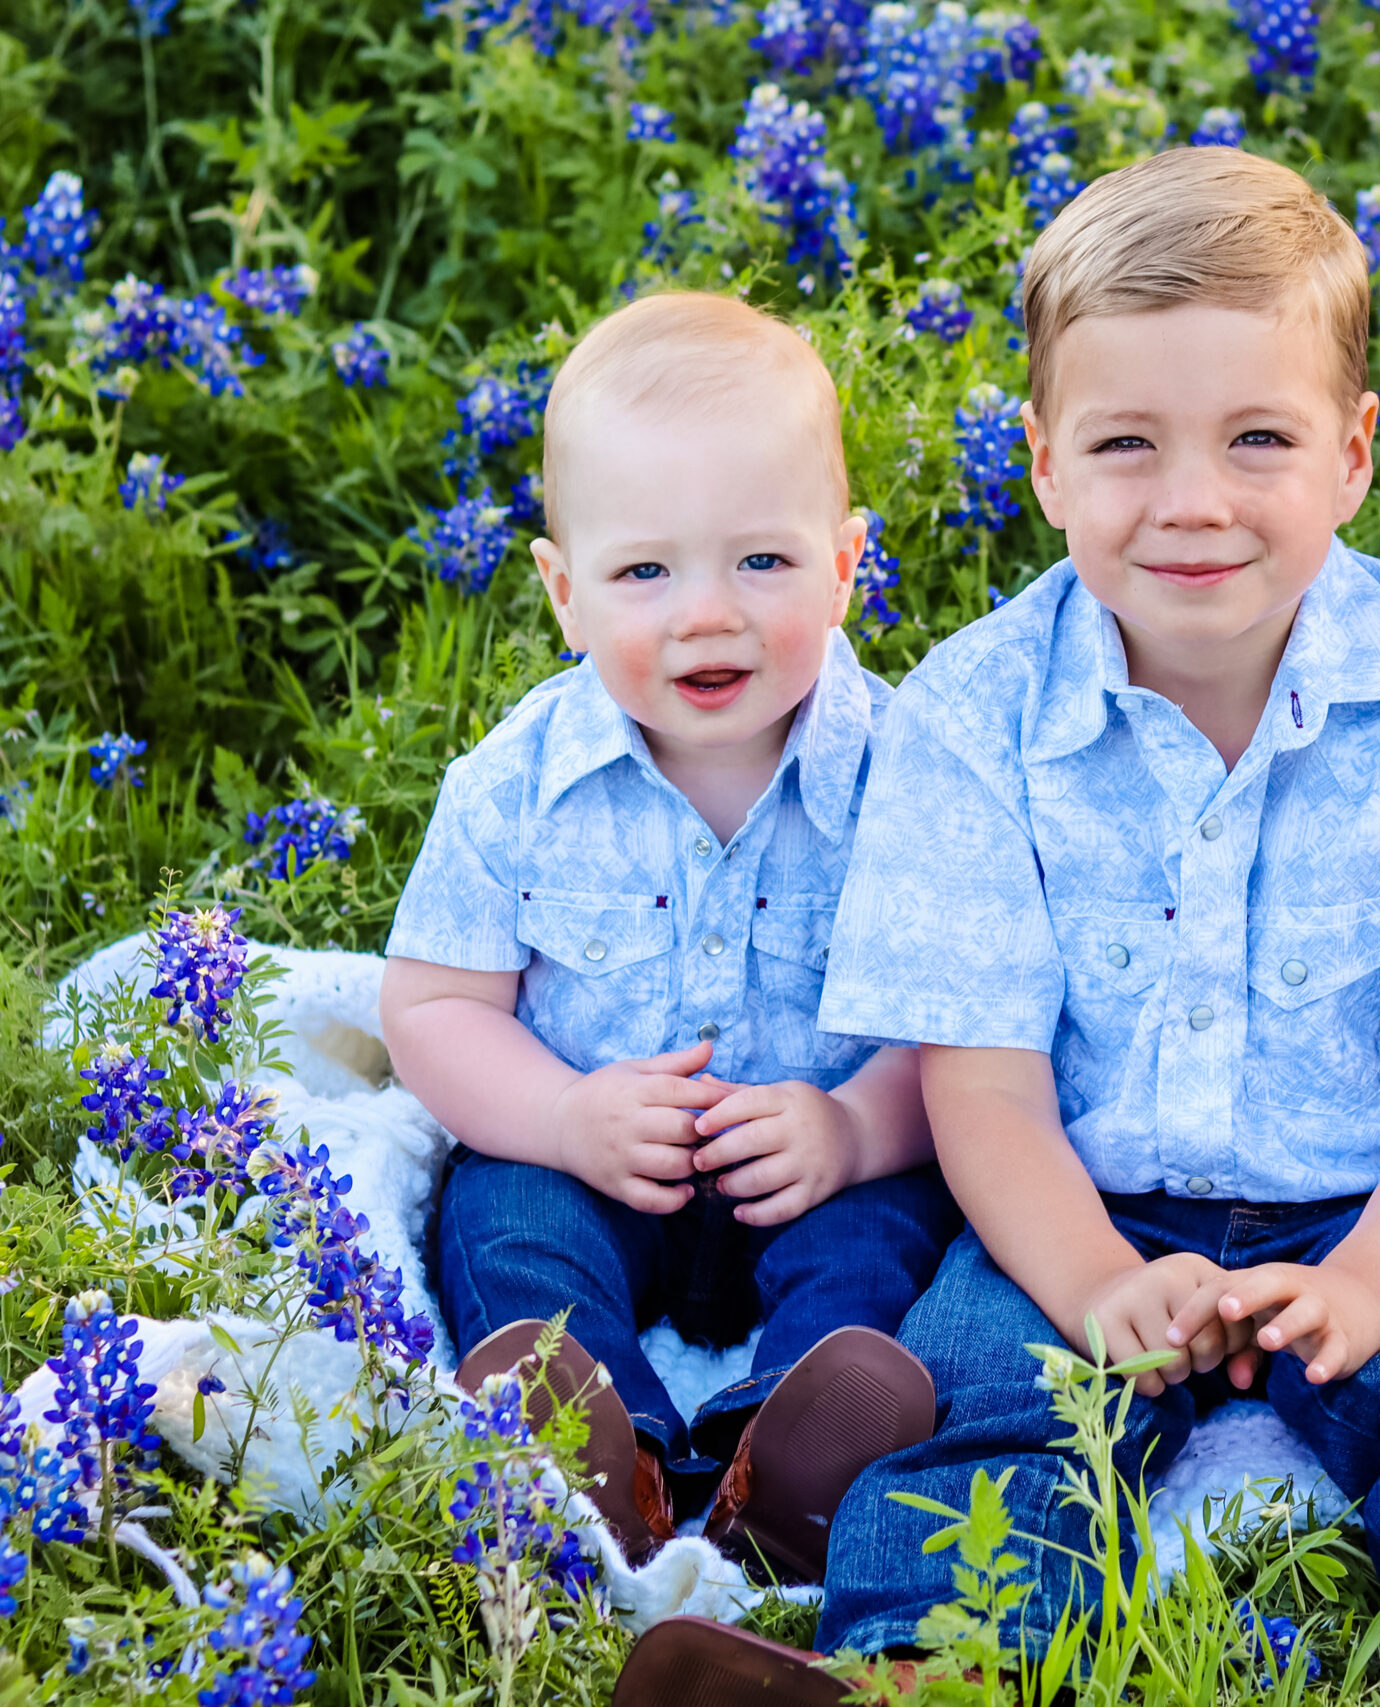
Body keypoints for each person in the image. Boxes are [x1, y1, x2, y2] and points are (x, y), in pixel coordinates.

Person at [613, 145, 1380, 1703]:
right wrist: (1095, 1282)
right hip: (1073, 1203)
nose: (1192, 502)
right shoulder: (973, 718)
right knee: (979, 1400)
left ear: (1357, 454)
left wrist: (1369, 1287)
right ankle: (924, 1674)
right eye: (1126, 446)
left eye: (1257, 439)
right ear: (1041, 464)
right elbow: (984, 1091)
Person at [380, 291, 961, 1584]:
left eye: (762, 563)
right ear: (564, 593)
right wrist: (561, 1117)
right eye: (645, 572)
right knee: (504, 1215)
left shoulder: (913, 779)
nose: (707, 614)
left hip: (820, 1168)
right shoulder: (515, 783)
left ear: (846, 565)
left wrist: (855, 1129)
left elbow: (967, 1023)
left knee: (891, 1232)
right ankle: (607, 1459)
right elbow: (432, 1009)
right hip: (590, 1160)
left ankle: (787, 1459)